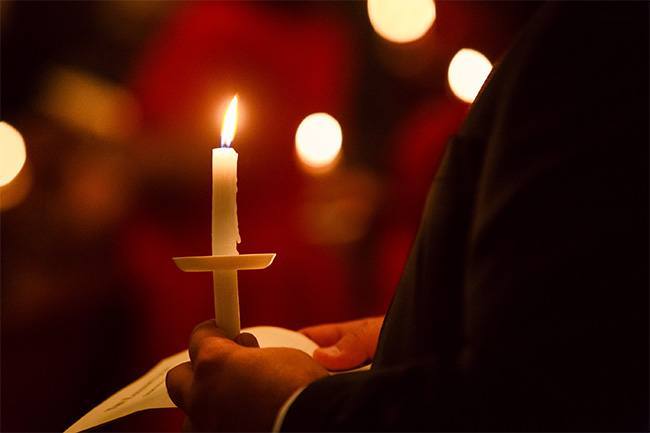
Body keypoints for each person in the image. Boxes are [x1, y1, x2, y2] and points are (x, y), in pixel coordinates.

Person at [166, 2, 648, 431]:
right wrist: (416, 333)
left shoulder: (591, 40)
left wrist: (293, 409)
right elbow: (576, 307)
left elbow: (540, 396)